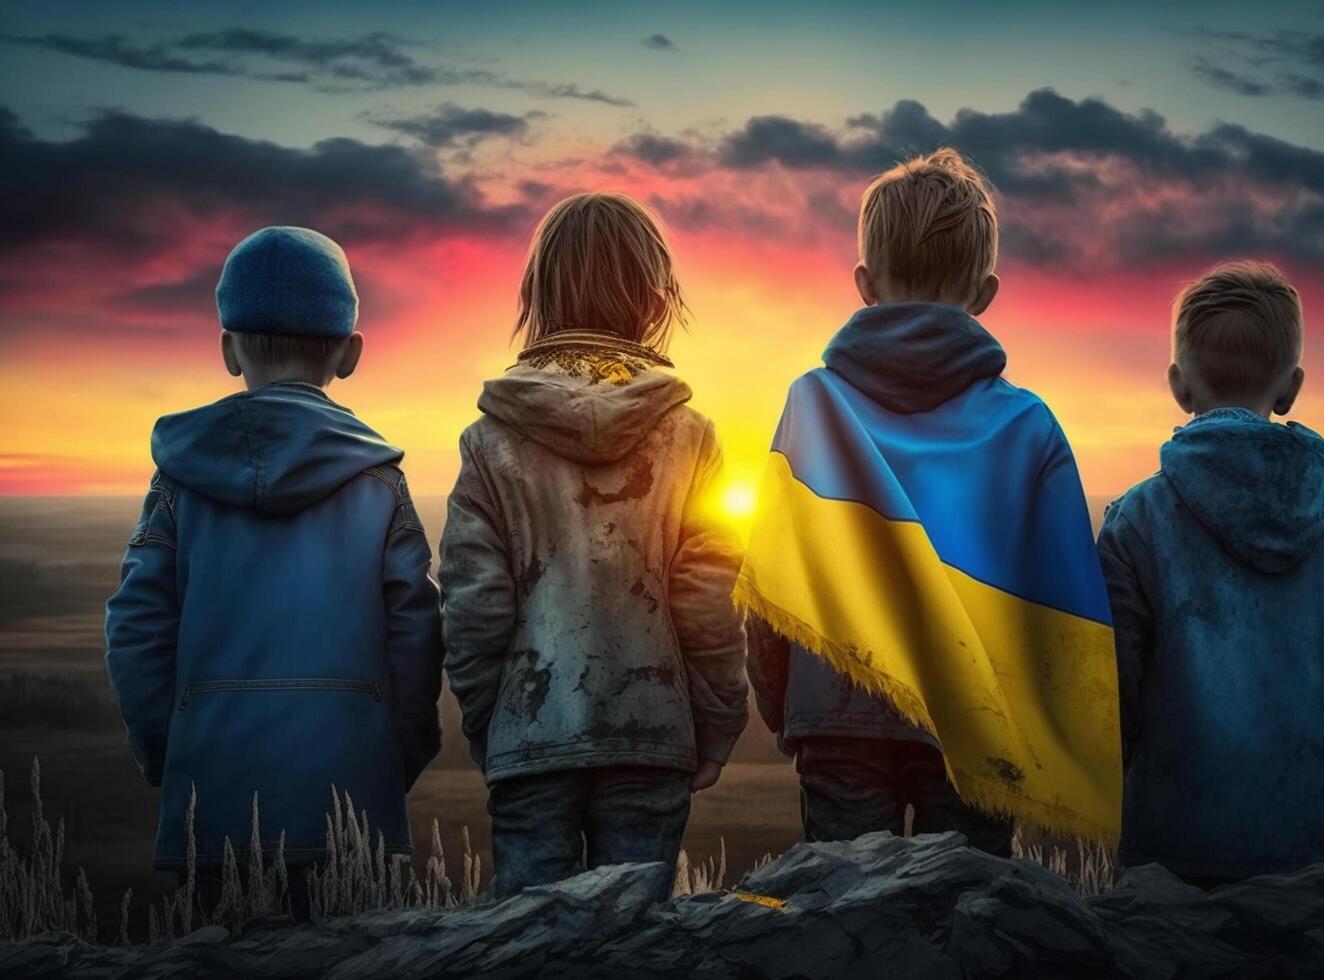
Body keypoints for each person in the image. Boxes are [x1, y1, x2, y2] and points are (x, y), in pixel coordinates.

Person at [742, 149, 1122, 851]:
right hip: (979, 720)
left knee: (845, 918)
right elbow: (1066, 604)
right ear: (985, 293)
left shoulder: (813, 405)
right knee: (967, 918)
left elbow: (770, 588)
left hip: (836, 719)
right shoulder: (1026, 425)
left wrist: (786, 708)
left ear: (864, 284)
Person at [104, 226, 444, 919]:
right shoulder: (381, 483)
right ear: (350, 354)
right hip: (352, 807)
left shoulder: (178, 479)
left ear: (229, 349)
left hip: (213, 807)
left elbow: (135, 630)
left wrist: (177, 759)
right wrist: (391, 764)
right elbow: (417, 635)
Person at [440, 192, 748, 898]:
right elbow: (707, 602)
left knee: (527, 947)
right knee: (634, 945)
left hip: (530, 740)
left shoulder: (489, 440)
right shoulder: (690, 436)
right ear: (652, 297)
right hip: (651, 734)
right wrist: (718, 720)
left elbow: (475, 606)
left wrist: (496, 727)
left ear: (539, 295)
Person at [1098, 260, 1324, 886]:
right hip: (1306, 849)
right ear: (1290, 390)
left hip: (1171, 848)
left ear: (1179, 385)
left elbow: (1111, 681)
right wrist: (1321, 767)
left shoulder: (1135, 523)